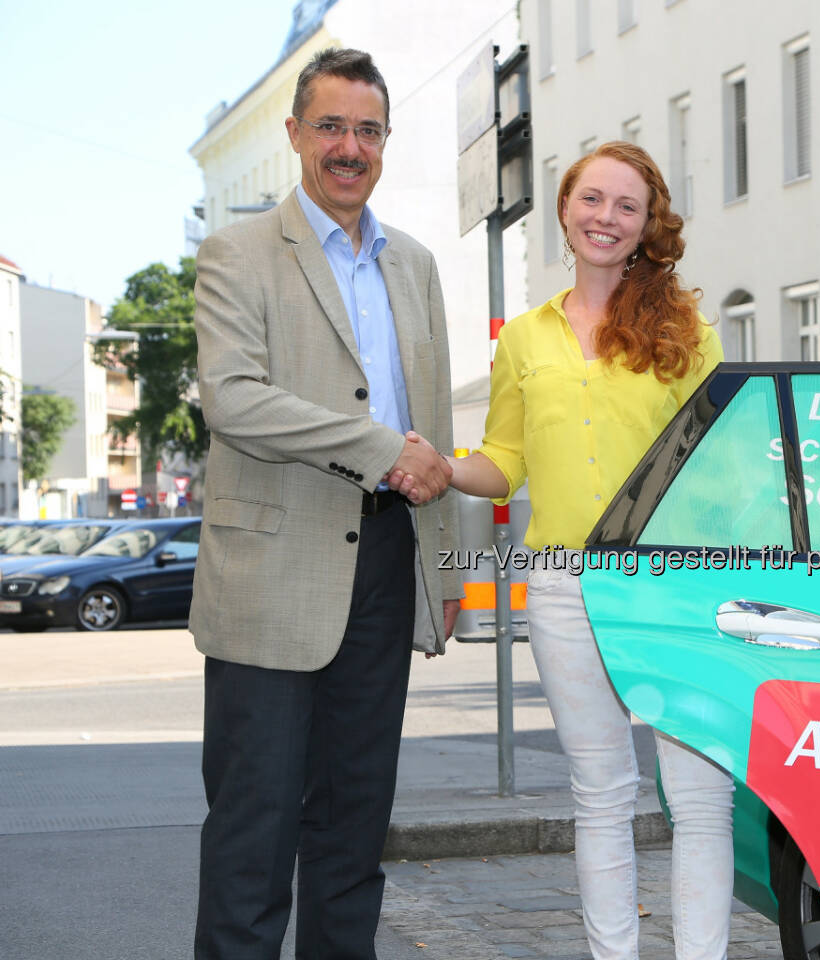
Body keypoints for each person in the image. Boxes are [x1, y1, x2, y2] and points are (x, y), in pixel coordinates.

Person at [391, 141, 733, 960]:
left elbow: (722, 467)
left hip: (676, 588)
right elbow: (504, 461)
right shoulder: (525, 339)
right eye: (592, 200)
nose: (605, 219)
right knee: (602, 795)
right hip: (565, 588)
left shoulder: (691, 331)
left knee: (699, 799)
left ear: (649, 224)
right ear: (565, 209)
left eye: (626, 205)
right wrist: (444, 466)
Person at [190, 47, 462, 960]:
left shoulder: (415, 264)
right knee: (253, 834)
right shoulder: (238, 253)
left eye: (369, 129)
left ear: (386, 141)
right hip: (271, 572)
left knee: (354, 834)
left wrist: (442, 567)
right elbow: (235, 400)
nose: (351, 146)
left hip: (384, 569)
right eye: (332, 126)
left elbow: (432, 424)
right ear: (297, 134)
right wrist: (384, 452)